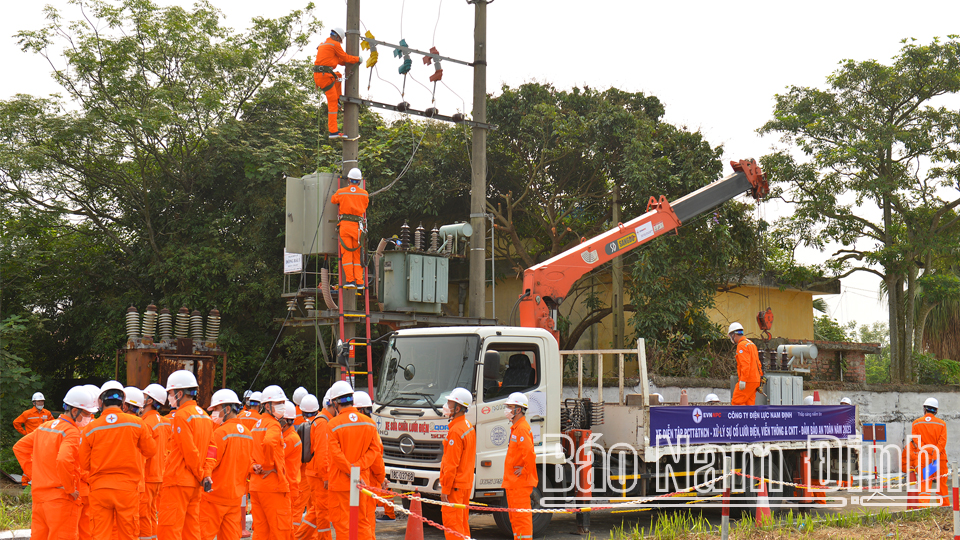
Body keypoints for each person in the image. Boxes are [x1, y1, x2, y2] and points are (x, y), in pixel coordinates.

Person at [13, 386, 96, 540]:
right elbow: (64, 459)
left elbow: (19, 447)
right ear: (74, 411)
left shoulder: (44, 427)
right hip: (61, 499)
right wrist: (70, 488)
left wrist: (35, 475)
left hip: (39, 497)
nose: (89, 417)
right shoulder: (71, 432)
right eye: (87, 413)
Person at [80, 381, 158, 540]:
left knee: (100, 534)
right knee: (128, 533)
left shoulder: (90, 428)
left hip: (99, 489)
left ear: (100, 402)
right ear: (123, 402)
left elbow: (84, 464)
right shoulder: (137, 423)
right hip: (127, 489)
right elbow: (151, 451)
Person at [159, 370, 214, 540]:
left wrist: (200, 475)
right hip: (195, 485)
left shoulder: (182, 415)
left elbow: (189, 451)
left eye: (170, 393)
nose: (169, 397)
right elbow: (212, 449)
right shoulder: (205, 416)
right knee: (191, 531)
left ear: (179, 393)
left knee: (170, 530)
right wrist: (206, 475)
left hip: (178, 481)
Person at [326, 381, 382, 540]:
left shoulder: (333, 425)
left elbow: (335, 454)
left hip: (341, 483)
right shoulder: (369, 423)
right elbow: (375, 450)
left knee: (344, 524)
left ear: (335, 403)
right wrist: (358, 468)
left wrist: (351, 471)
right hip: (362, 482)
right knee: (362, 522)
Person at [200, 389, 253, 540]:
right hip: (235, 498)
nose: (214, 413)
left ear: (227, 409)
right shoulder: (248, 434)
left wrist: (204, 475)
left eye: (216, 409)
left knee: (204, 535)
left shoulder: (221, 433)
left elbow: (211, 461)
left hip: (215, 497)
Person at [250, 385, 292, 540]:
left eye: (282, 402)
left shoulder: (256, 426)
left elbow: (250, 452)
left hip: (256, 485)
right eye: (278, 402)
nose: (282, 405)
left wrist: (254, 466)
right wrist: (268, 465)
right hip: (273, 485)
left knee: (261, 531)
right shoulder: (273, 424)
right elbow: (268, 443)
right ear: (267, 406)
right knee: (279, 530)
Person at [439, 388, 476, 540]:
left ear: (458, 408)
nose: (446, 406)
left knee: (453, 526)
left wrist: (445, 489)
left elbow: (451, 464)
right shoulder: (467, 425)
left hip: (455, 485)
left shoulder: (456, 430)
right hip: (465, 483)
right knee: (462, 524)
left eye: (450, 403)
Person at [299, 390, 334, 540]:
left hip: (315, 472)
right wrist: (326, 475)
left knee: (316, 509)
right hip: (319, 475)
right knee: (323, 511)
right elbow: (322, 451)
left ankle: (299, 536)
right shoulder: (322, 422)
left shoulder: (321, 421)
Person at [313, 27, 361, 138]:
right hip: (324, 76)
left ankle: (338, 99)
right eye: (340, 40)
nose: (340, 42)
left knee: (338, 76)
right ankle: (333, 131)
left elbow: (337, 60)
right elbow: (344, 57)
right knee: (332, 103)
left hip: (321, 75)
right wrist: (357, 59)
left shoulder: (324, 43)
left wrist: (348, 62)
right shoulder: (335, 44)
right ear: (338, 37)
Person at [502, 392, 537, 540]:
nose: (507, 410)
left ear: (518, 409)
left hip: (519, 483)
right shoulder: (517, 428)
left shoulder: (521, 428)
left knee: (521, 520)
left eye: (510, 407)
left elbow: (529, 454)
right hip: (514, 483)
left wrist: (525, 470)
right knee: (515, 520)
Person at [902, 397, 949, 507]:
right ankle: (945, 507)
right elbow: (943, 442)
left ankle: (923, 508)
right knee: (942, 485)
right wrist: (934, 452)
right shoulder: (942, 424)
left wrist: (927, 451)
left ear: (924, 408)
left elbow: (917, 441)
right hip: (939, 459)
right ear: (936, 410)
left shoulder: (916, 423)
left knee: (925, 485)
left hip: (924, 459)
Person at [351, 391, 384, 539]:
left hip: (353, 480)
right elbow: (376, 458)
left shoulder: (348, 427)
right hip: (368, 482)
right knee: (366, 522)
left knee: (354, 522)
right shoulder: (370, 428)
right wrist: (382, 478)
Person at [331, 168, 369, 290]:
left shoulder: (341, 192)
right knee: (358, 254)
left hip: (345, 226)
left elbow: (333, 200)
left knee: (347, 253)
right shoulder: (364, 193)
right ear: (359, 181)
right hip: (358, 227)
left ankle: (350, 281)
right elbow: (365, 205)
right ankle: (360, 282)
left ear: (348, 180)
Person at [141, 383, 169, 540]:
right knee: (151, 513)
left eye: (144, 397)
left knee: (144, 515)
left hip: (148, 474)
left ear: (150, 401)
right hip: (157, 474)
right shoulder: (160, 420)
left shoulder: (147, 422)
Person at [293, 394, 320, 537]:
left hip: (304, 472)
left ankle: (296, 535)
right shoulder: (322, 422)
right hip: (318, 473)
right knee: (314, 508)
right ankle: (313, 536)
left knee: (298, 507)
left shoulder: (299, 424)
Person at [13, 391, 52, 486]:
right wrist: (25, 433)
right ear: (34, 403)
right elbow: (16, 423)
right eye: (38, 401)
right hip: (32, 441)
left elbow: (53, 425)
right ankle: (25, 482)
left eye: (42, 401)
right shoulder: (27, 413)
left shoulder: (47, 413)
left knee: (42, 460)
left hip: (43, 441)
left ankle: (39, 480)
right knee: (29, 461)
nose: (41, 403)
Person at [281, 400, 303, 531]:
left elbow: (275, 457)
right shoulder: (289, 436)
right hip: (290, 485)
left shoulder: (290, 439)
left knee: (288, 525)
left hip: (289, 486)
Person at [728, 322, 763, 406]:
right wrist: (760, 377)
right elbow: (758, 363)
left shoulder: (742, 345)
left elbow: (745, 364)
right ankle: (748, 419)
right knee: (749, 405)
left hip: (748, 380)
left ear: (734, 335)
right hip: (755, 380)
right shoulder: (751, 344)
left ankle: (739, 419)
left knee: (737, 402)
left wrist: (743, 380)